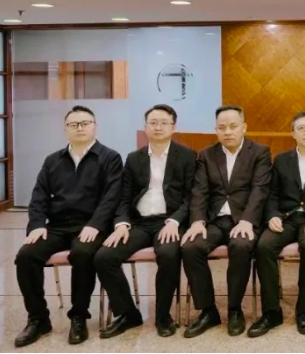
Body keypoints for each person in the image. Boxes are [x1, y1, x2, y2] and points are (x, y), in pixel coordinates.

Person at [14, 105, 123, 347]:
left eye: (85, 123)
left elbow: (112, 197)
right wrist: (37, 225)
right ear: (65, 129)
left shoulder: (110, 157)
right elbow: (39, 196)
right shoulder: (53, 160)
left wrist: (96, 224)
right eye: (73, 124)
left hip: (91, 225)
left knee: (83, 253)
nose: (79, 128)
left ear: (95, 127)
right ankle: (38, 318)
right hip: (57, 225)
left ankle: (79, 317)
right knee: (26, 256)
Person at [95, 104, 197, 338]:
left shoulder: (188, 156)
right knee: (104, 257)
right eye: (153, 122)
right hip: (139, 222)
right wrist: (121, 224)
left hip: (170, 221)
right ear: (145, 127)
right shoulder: (134, 158)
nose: (158, 127)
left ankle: (162, 316)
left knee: (169, 254)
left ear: (173, 127)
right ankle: (128, 314)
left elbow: (191, 197)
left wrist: (175, 221)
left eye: (164, 123)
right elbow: (124, 197)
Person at [181, 105, 273, 338]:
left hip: (244, 219)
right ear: (216, 130)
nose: (228, 132)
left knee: (241, 246)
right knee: (190, 246)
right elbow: (199, 191)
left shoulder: (260, 152)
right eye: (222, 128)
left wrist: (248, 221)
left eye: (233, 126)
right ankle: (208, 311)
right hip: (214, 220)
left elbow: (260, 190)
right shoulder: (206, 154)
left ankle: (234, 309)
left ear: (244, 127)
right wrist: (197, 221)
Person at [248, 111, 305, 337]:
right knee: (264, 246)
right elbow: (272, 194)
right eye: (301, 128)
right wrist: (272, 215)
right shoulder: (281, 159)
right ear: (293, 133)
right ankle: (272, 312)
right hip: (286, 218)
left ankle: (303, 310)